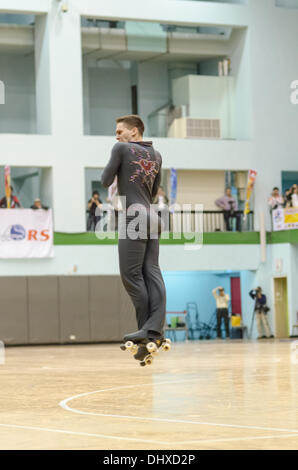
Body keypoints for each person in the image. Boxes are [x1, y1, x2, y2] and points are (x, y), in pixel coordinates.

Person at [101, 114, 166, 360]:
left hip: (133, 215)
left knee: (131, 276)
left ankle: (148, 331)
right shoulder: (157, 155)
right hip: (153, 216)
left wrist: (117, 165)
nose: (116, 136)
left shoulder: (120, 148)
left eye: (120, 131)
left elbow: (105, 180)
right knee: (152, 272)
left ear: (134, 132)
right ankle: (152, 334)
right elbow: (154, 189)